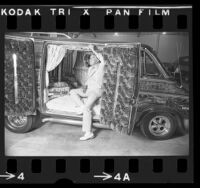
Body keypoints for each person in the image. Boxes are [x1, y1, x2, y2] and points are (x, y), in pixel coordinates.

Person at [70, 45, 105, 141]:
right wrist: (84, 87)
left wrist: (93, 49)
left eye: (94, 56)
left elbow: (102, 58)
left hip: (96, 91)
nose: (94, 58)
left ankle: (88, 133)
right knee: (72, 91)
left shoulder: (101, 66)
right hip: (89, 90)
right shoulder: (90, 69)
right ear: (89, 62)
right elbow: (89, 81)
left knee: (87, 108)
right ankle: (81, 106)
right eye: (91, 58)